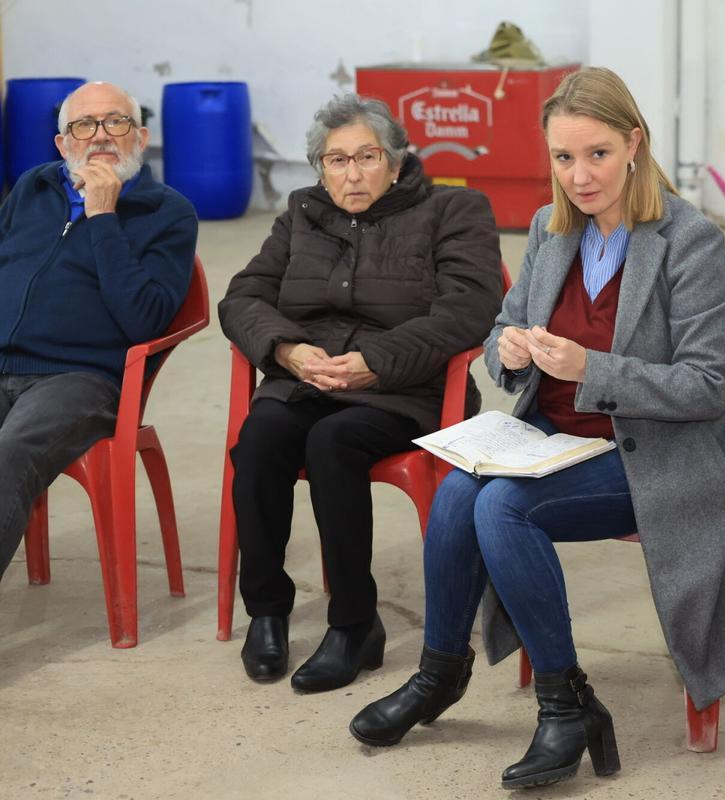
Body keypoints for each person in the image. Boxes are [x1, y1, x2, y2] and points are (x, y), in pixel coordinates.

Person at [348, 67, 725, 789]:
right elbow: (502, 330)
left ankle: (564, 706)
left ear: (634, 144)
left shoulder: (690, 241)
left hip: (652, 456)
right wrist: (505, 351)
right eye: (563, 158)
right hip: (552, 441)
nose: (579, 176)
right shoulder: (550, 228)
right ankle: (441, 673)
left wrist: (592, 367)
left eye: (597, 154)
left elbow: (708, 383)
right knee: (457, 493)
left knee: (503, 507)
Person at [218, 94, 503, 692]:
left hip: (406, 389)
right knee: (260, 437)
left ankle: (353, 623)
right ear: (320, 169)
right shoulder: (302, 214)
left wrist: (376, 363)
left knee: (334, 442)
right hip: (309, 380)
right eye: (336, 160)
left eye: (367, 157)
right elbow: (243, 297)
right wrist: (287, 351)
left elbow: (470, 308)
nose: (351, 174)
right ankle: (266, 612)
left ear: (395, 162)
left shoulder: (454, 209)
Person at [0, 81, 197, 582]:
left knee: (9, 454)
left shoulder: (167, 212)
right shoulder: (32, 188)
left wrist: (103, 217)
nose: (101, 135)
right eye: (84, 125)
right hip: (4, 361)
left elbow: (145, 318)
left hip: (79, 379)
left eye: (116, 121)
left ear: (141, 137)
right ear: (63, 143)